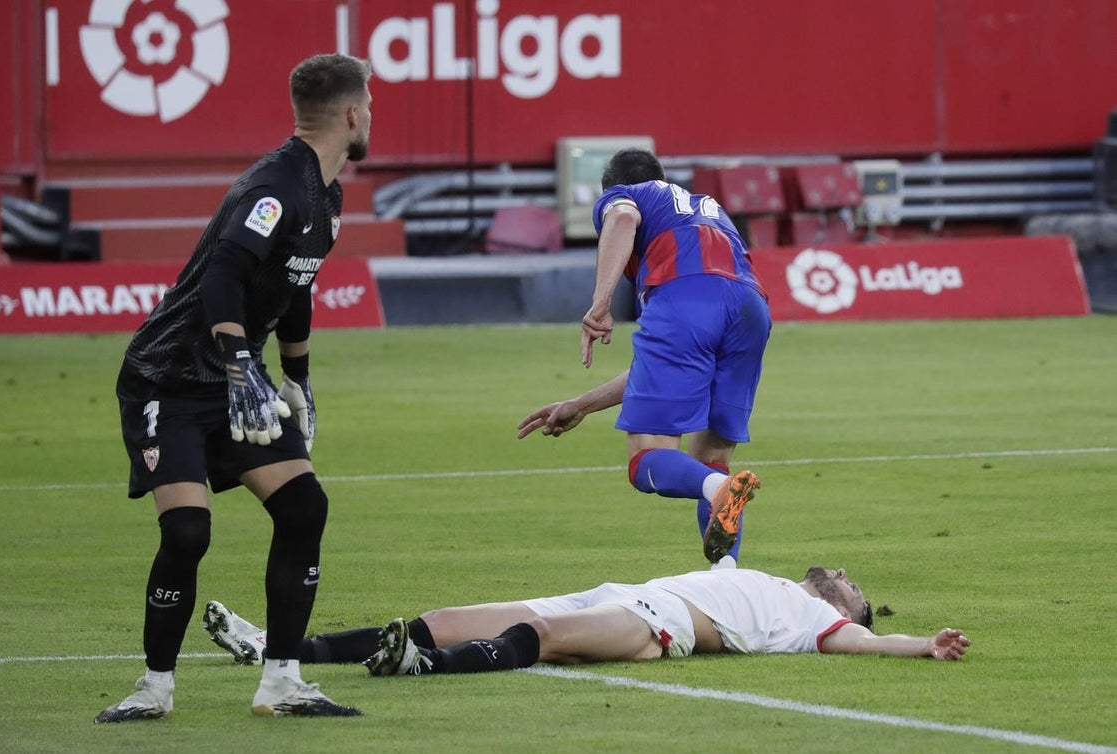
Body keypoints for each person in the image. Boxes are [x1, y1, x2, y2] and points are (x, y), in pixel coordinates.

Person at [96, 53, 374, 723]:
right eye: (371, 108)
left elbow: (296, 286)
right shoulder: (275, 186)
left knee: (304, 508)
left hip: (238, 374)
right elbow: (223, 270)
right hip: (170, 376)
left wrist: (298, 379)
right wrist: (240, 362)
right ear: (353, 114)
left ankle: (282, 682)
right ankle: (153, 688)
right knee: (188, 532)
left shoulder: (326, 195)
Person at [517, 149, 772, 566]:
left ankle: (717, 491)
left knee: (645, 462)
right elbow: (662, 366)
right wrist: (582, 405)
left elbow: (621, 219)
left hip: (687, 297)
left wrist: (600, 304)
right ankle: (727, 576)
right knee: (712, 462)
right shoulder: (707, 211)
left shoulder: (623, 197)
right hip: (751, 308)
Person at [201, 564, 970, 676]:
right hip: (620, 590)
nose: (839, 573)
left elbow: (870, 641)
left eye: (850, 584)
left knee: (549, 642)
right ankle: (275, 645)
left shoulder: (815, 620)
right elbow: (718, 543)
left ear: (842, 606)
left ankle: (420, 667)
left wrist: (922, 646)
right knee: (440, 615)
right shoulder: (763, 576)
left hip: (661, 623)